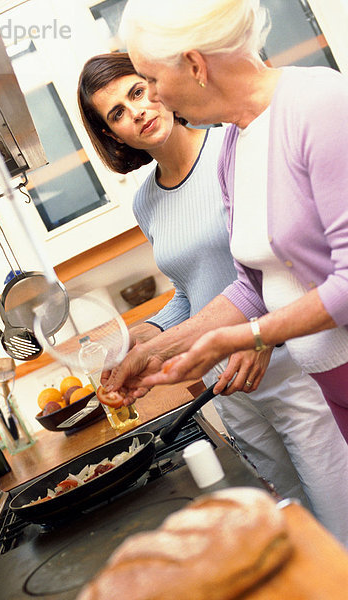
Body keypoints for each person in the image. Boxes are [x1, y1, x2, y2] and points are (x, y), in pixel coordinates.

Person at [77, 52, 348, 545]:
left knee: (340, 524)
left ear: (160, 84)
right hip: (226, 388)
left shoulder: (233, 140)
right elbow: (194, 287)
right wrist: (151, 334)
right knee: (287, 534)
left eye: (137, 91)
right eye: (116, 112)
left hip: (289, 364)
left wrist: (258, 338)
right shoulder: (147, 201)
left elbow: (284, 266)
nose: (136, 111)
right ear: (113, 136)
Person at [112, 0, 348, 444]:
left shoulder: (319, 103)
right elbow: (252, 289)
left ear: (196, 65)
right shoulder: (234, 146)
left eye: (153, 81)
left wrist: (242, 338)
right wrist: (157, 352)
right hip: (335, 387)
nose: (155, 98)